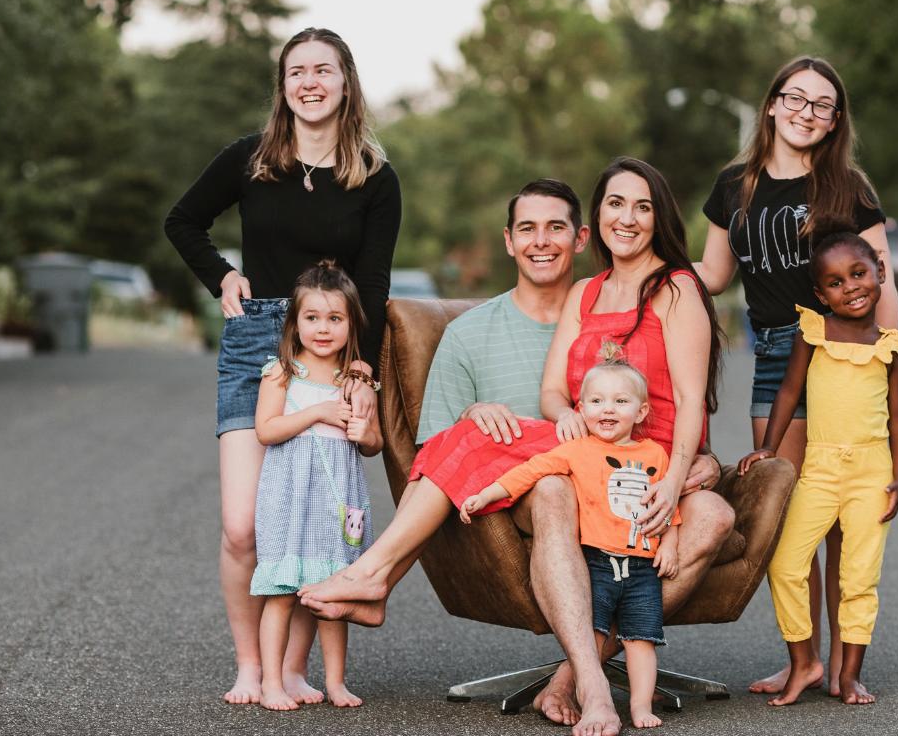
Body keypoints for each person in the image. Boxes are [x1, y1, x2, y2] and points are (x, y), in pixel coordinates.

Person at [299, 166, 732, 736]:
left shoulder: (676, 288)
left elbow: (691, 400)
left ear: (659, 218)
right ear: (599, 216)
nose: (627, 218)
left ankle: (567, 674)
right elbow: (554, 392)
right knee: (480, 433)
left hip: (650, 459)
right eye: (615, 203)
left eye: (643, 206)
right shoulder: (586, 292)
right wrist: (565, 414)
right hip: (590, 450)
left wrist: (677, 479)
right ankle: (378, 577)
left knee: (715, 517)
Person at [164, 27, 400, 704]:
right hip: (256, 339)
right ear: (284, 85)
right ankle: (251, 664)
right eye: (297, 71)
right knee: (244, 527)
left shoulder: (375, 177)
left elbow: (372, 284)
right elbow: (183, 221)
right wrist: (221, 275)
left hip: (330, 352)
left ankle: (293, 667)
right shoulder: (251, 158)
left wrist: (363, 372)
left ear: (346, 82)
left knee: (311, 521)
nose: (310, 82)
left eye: (323, 70)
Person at [697, 54, 898, 696]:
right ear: (772, 104)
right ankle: (803, 657)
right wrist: (646, 267)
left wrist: (887, 359)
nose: (807, 113)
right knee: (788, 514)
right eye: (796, 98)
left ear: (835, 120)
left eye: (822, 105)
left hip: (842, 356)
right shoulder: (735, 187)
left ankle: (844, 665)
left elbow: (882, 279)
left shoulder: (848, 188)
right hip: (775, 356)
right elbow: (713, 275)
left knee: (841, 519)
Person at [737, 229, 898, 706]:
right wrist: (769, 447)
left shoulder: (893, 348)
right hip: (818, 469)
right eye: (835, 283)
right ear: (820, 294)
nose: (850, 287)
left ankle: (849, 675)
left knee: (859, 577)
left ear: (879, 271)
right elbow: (788, 392)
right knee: (784, 560)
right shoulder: (812, 334)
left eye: (858, 274)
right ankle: (803, 662)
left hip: (872, 474)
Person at [461, 359, 678, 729]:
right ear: (581, 408)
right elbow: (528, 471)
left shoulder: (655, 455)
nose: (607, 409)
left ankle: (641, 707)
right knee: (592, 631)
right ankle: (586, 688)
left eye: (620, 401)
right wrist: (486, 495)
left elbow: (669, 507)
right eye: (596, 401)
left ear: (641, 411)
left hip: (643, 567)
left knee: (642, 640)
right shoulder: (576, 450)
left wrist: (670, 543)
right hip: (596, 562)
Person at [251, 261, 383, 710]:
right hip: (290, 498)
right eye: (312, 317)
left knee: (332, 592)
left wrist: (366, 434)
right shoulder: (282, 372)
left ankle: (336, 682)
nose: (323, 329)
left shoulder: (356, 381)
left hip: (336, 502)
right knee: (281, 593)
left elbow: (374, 444)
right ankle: (272, 682)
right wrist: (318, 413)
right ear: (295, 322)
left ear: (351, 324)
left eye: (334, 318)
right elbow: (266, 430)